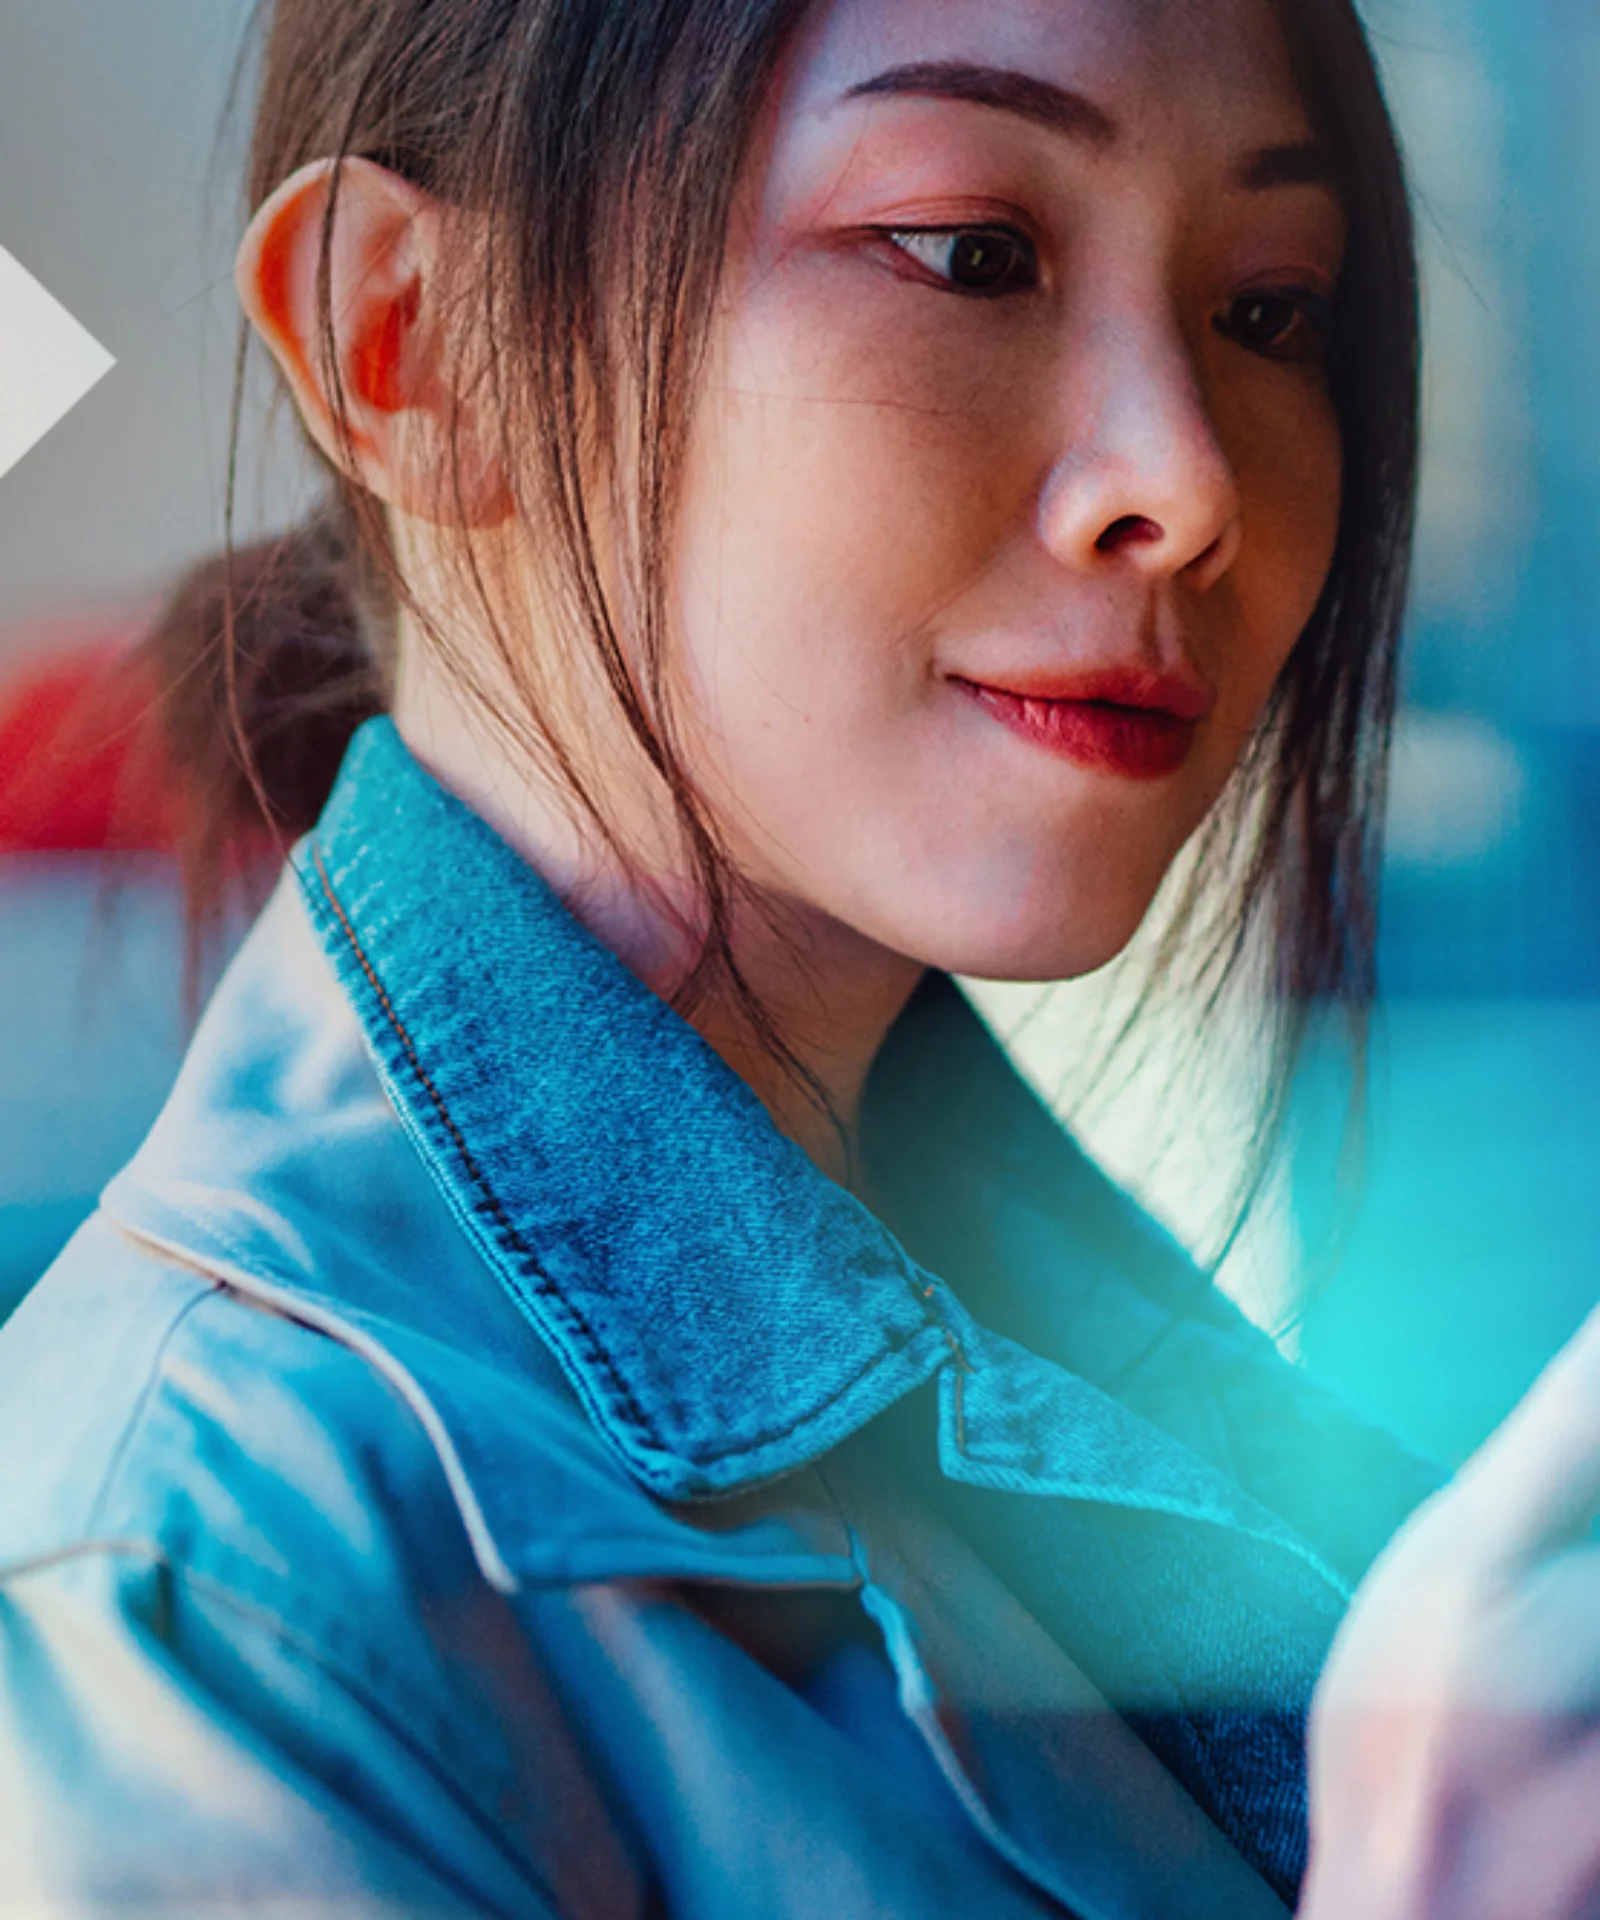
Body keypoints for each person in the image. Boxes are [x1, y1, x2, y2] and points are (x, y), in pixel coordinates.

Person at [2, 0, 1598, 1912]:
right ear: (410, 347)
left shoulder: (1015, 1315)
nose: (1187, 482)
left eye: (1270, 309)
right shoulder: (208, 1598)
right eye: (971, 255)